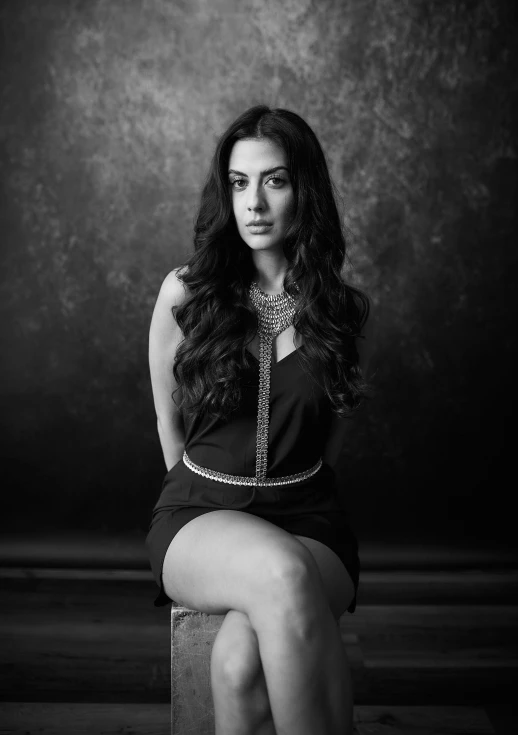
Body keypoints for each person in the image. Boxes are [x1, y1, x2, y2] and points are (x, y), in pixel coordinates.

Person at [146, 104, 371, 735]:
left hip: (311, 521)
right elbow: (167, 419)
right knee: (278, 568)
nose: (255, 202)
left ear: (305, 190)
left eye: (274, 180)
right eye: (240, 184)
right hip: (198, 517)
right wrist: (204, 496)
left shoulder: (343, 312)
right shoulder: (185, 293)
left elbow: (332, 444)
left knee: (240, 665)